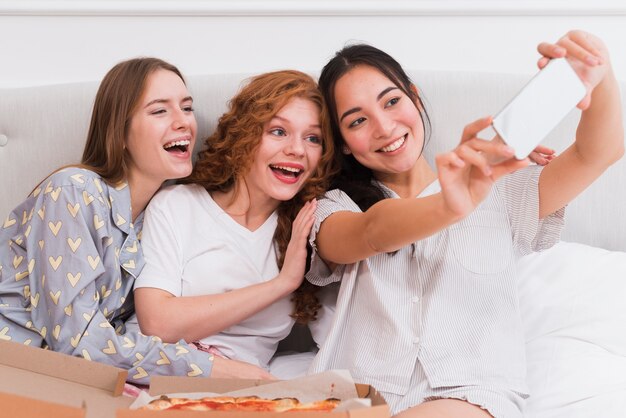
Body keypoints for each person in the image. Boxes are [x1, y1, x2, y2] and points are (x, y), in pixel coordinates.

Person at [306, 30, 623, 418]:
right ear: (341, 142)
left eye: (391, 102)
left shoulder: (502, 191)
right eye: (357, 121)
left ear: (415, 96)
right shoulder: (334, 208)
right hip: (352, 401)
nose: (385, 128)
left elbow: (599, 152)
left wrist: (599, 70)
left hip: (468, 398)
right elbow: (373, 232)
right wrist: (452, 204)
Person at [0, 57, 266, 384]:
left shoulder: (165, 216)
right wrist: (214, 369)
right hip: (16, 368)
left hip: (68, 381)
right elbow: (78, 342)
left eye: (187, 107)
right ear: (120, 131)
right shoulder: (71, 192)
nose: (183, 122)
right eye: (159, 110)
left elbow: (126, 332)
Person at [131, 70, 335, 375]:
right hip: (161, 374)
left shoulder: (310, 227)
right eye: (278, 131)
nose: (297, 150)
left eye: (313, 138)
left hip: (245, 393)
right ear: (245, 135)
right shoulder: (177, 206)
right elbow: (157, 323)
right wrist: (281, 284)